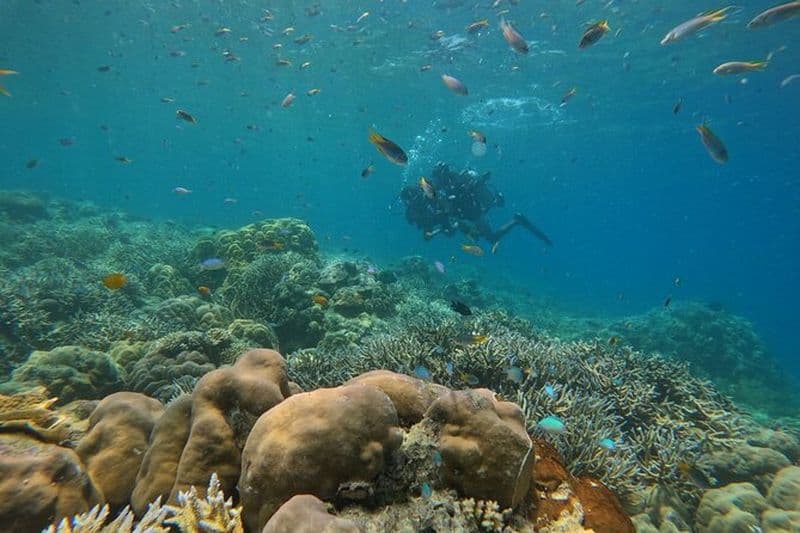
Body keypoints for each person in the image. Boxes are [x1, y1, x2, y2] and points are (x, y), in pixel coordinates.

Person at [400, 162, 553, 247]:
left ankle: (517, 220)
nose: (436, 181)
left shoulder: (452, 185)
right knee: (465, 232)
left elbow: (449, 209)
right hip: (466, 215)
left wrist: (439, 224)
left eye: (437, 177)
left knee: (491, 238)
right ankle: (512, 221)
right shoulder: (447, 185)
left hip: (473, 213)